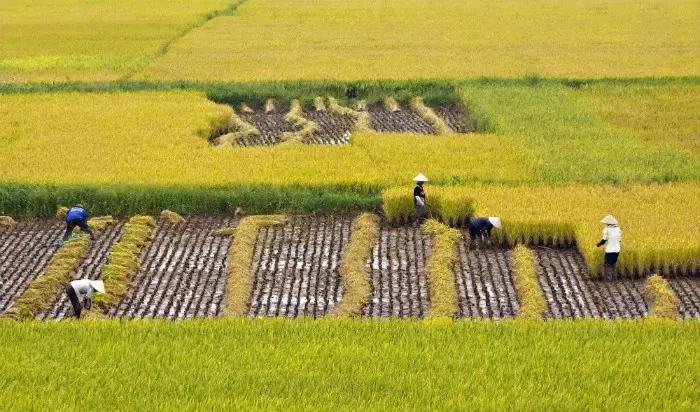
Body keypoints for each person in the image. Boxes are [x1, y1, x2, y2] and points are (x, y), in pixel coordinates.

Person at [596, 214, 622, 280]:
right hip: (617, 250)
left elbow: (604, 240)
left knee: (607, 264)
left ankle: (609, 279)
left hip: (609, 250)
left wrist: (599, 244)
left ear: (608, 223)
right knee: (613, 264)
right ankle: (614, 278)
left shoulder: (606, 229)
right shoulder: (618, 229)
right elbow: (619, 240)